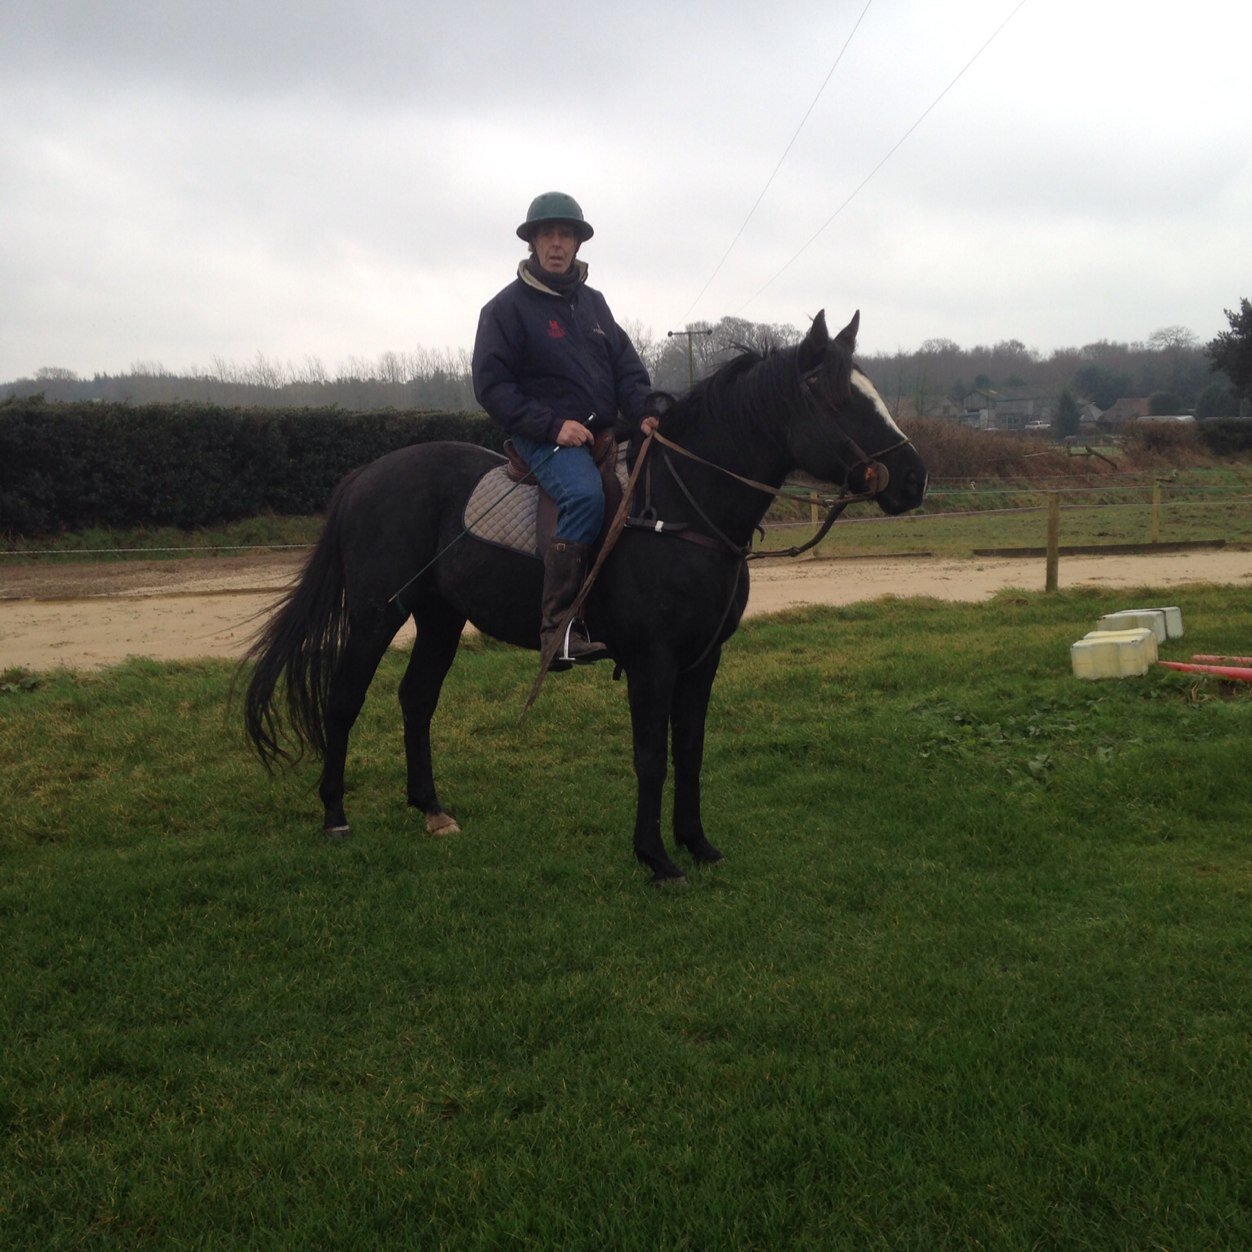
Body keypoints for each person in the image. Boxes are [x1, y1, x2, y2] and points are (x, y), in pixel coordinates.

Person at [472, 191, 659, 668]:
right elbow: (492, 387)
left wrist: (643, 413)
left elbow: (628, 371)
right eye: (548, 234)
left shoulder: (595, 305)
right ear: (533, 243)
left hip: (603, 433)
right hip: (544, 438)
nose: (557, 243)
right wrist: (553, 426)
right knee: (584, 496)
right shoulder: (506, 308)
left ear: (577, 244)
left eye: (566, 235)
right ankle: (559, 627)